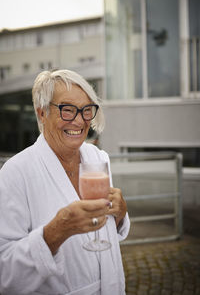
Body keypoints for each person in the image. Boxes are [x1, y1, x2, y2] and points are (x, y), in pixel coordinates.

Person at [0, 69, 130, 295]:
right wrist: (55, 231)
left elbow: (104, 230)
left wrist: (120, 215)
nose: (79, 121)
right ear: (42, 113)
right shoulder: (16, 173)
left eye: (86, 110)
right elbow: (5, 272)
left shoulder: (98, 158)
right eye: (67, 110)